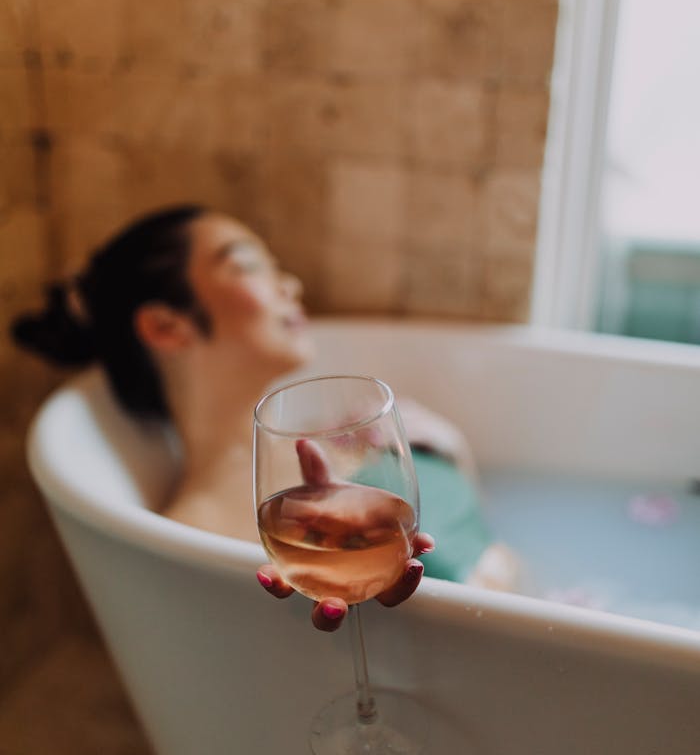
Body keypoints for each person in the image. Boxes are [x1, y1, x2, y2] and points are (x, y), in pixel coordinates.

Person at [12, 204, 520, 630]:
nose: (290, 284)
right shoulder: (192, 541)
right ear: (167, 327)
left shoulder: (365, 439)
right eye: (249, 265)